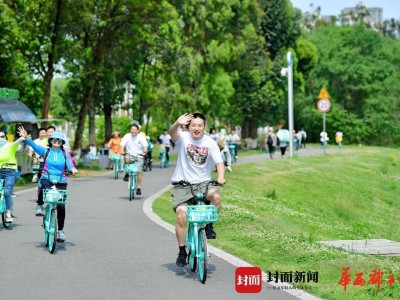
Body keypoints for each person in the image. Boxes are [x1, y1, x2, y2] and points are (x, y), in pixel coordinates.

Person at [170, 113, 225, 267]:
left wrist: (220, 177)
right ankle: (182, 251)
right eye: (193, 125)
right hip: (183, 185)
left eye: (200, 125)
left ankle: (208, 226)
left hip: (203, 183)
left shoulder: (210, 142)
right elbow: (172, 133)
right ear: (188, 127)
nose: (197, 128)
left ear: (204, 127)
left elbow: (219, 162)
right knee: (182, 216)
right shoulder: (183, 138)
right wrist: (177, 123)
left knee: (216, 197)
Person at [17, 126, 78, 241]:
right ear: (50, 141)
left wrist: (73, 170)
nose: (57, 142)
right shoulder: (46, 151)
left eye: (59, 140)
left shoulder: (65, 154)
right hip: (47, 178)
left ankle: (60, 230)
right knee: (46, 192)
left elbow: (70, 165)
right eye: (54, 140)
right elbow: (34, 146)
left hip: (61, 180)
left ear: (62, 142)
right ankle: (42, 207)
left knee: (61, 205)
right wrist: (26, 138)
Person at [0, 130, 25, 223]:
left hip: (9, 172)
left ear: (6, 137)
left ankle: (8, 213)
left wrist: (22, 137)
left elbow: (17, 143)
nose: (0, 139)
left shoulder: (10, 145)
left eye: (2, 136)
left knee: (7, 192)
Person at [120, 124, 148, 196]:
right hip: (129, 154)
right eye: (131, 130)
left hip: (139, 156)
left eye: (134, 130)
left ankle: (139, 188)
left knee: (138, 171)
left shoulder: (141, 137)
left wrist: (144, 152)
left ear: (138, 130)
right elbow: (122, 145)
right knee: (127, 159)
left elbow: (145, 145)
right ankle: (127, 173)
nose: (133, 131)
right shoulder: (127, 136)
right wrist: (122, 150)